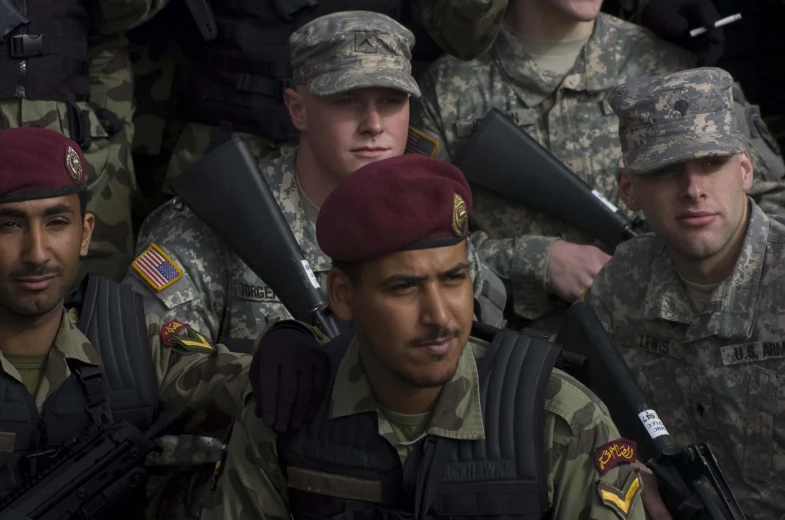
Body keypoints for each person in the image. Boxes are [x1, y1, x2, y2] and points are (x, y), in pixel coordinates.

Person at [199, 154, 646, 520]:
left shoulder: (560, 420)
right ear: (342, 295)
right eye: (404, 287)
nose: (439, 316)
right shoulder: (285, 413)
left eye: (454, 280)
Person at [123, 11, 508, 351]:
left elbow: (482, 349)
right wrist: (256, 380)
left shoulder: (432, 217)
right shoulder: (217, 221)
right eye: (346, 101)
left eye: (391, 102)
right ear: (298, 110)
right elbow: (149, 352)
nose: (374, 125)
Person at [410, 0, 785, 337]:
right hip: (526, 352)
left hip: (675, 348)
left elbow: (771, 205)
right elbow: (416, 246)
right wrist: (537, 261)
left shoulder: (668, 65)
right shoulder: (447, 90)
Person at [0, 127, 256, 516]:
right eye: (9, 225)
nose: (37, 253)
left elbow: (253, 387)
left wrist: (293, 348)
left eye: (56, 222)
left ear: (85, 234)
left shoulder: (131, 344)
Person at [585, 67, 785, 518]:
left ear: (746, 169)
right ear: (629, 189)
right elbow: (589, 428)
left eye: (712, 163)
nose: (693, 189)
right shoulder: (621, 286)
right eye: (666, 170)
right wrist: (624, 475)